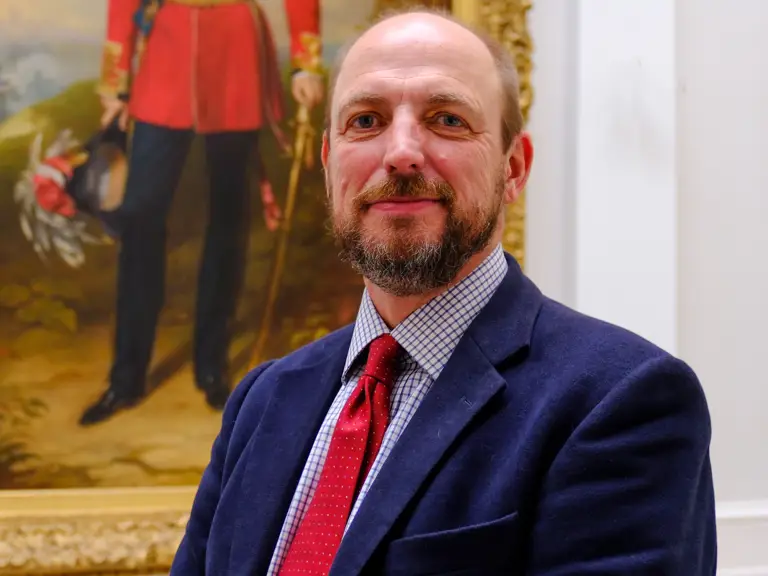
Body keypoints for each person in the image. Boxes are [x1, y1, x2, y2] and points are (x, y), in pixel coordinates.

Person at [170, 8, 717, 575]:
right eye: (365, 120)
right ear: (329, 165)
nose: (400, 152)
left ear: (514, 168)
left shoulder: (622, 400)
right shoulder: (263, 400)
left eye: (447, 119)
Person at [79, 0, 324, 426]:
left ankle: (212, 365)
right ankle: (127, 375)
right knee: (140, 222)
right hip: (167, 55)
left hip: (236, 57)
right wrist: (116, 80)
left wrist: (306, 64)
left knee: (228, 225)